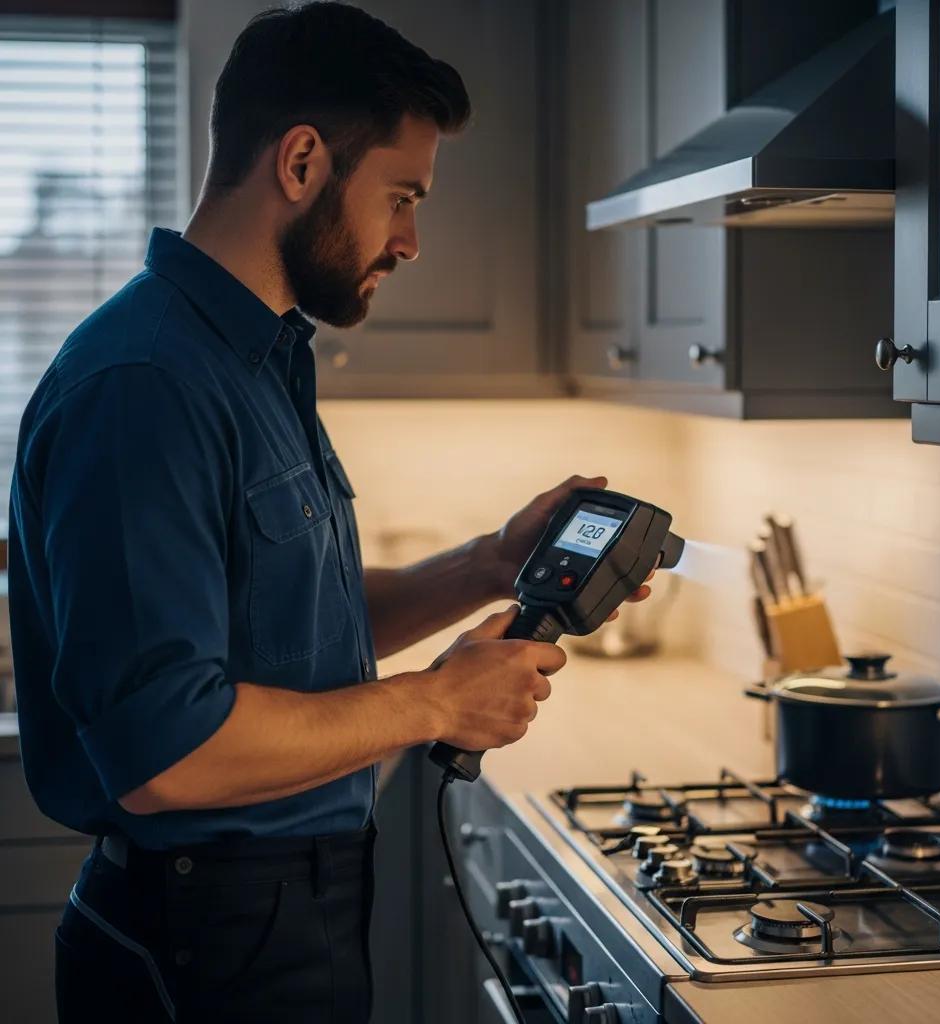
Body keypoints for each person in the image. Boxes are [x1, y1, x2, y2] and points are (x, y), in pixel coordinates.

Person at [6, 3, 654, 1022]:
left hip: (273, 914)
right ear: (302, 162)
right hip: (198, 947)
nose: (411, 239)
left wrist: (490, 562)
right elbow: (165, 754)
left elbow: (291, 617)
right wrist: (437, 702)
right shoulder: (144, 385)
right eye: (399, 196)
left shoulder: (255, 358)